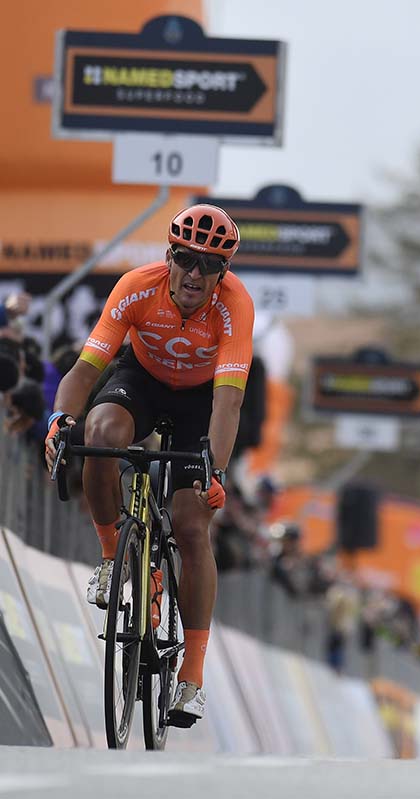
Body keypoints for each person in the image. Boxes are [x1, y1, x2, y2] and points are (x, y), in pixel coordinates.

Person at [44, 203, 253, 727]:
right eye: (186, 258)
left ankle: (192, 677)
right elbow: (85, 369)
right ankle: (112, 555)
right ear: (169, 255)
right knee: (99, 435)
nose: (195, 273)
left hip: (202, 402)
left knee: (191, 525)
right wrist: (58, 421)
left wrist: (215, 471)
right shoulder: (137, 287)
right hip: (141, 379)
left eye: (210, 264)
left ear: (223, 271)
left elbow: (228, 402)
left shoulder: (235, 306)